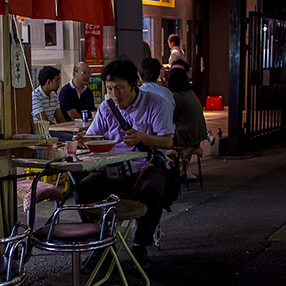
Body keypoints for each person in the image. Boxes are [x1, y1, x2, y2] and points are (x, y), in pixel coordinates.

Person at [73, 59, 174, 265]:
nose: (114, 94)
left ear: (133, 84)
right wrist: (84, 140)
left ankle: (140, 245)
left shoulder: (154, 103)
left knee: (151, 191)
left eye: (119, 88)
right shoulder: (106, 107)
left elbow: (167, 141)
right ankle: (100, 243)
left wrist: (142, 138)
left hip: (147, 165)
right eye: (109, 88)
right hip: (115, 168)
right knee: (81, 190)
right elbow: (95, 136)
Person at [168, 66, 207, 181]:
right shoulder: (190, 93)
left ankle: (176, 171)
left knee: (164, 139)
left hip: (186, 136)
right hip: (197, 135)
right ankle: (183, 170)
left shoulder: (176, 97)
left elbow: (171, 118)